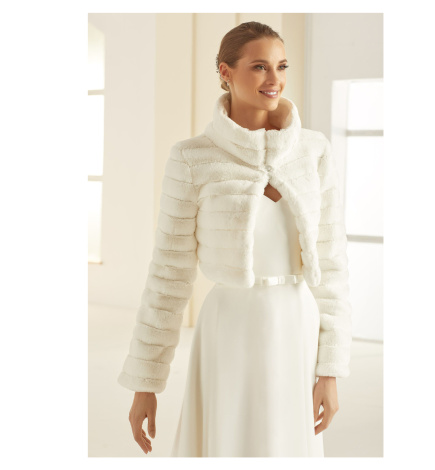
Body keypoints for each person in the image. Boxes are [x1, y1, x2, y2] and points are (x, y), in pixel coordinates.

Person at [117, 21, 352, 458]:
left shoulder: (314, 150)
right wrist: (145, 384)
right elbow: (168, 274)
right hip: (229, 328)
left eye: (281, 66)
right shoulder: (192, 158)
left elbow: (333, 264)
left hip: (297, 327)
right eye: (260, 66)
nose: (274, 78)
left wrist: (331, 370)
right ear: (225, 72)